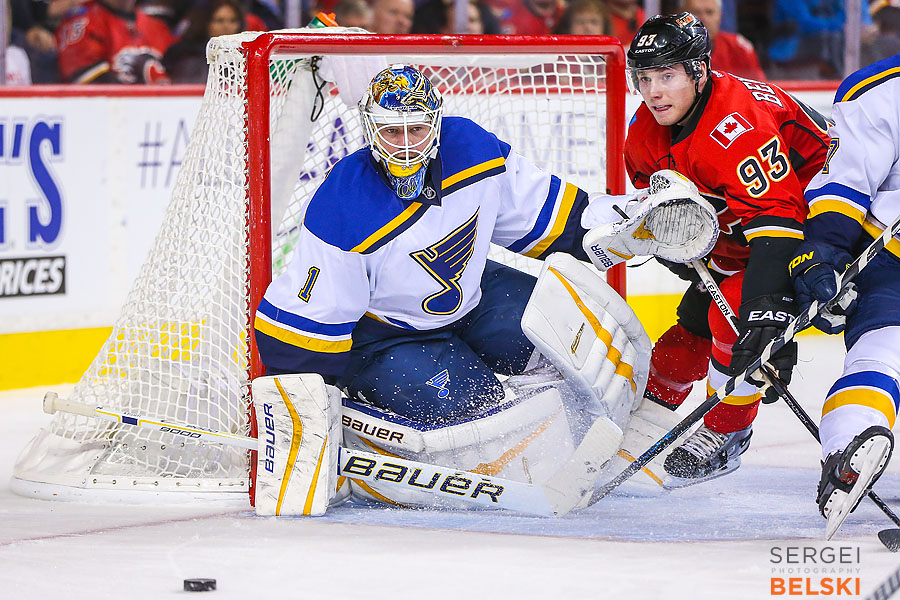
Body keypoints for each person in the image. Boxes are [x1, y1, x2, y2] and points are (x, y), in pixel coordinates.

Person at [621, 12, 831, 483]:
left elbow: (779, 223)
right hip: (744, 228)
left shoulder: (735, 126)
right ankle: (642, 417)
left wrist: (767, 308)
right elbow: (664, 210)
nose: (654, 92)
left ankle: (727, 431)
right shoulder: (644, 131)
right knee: (687, 333)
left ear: (699, 71)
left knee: (736, 318)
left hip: (821, 224)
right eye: (645, 78)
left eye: (667, 76)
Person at [788, 54, 900, 535]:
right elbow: (845, 179)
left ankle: (847, 448)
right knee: (883, 347)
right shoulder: (881, 89)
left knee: (884, 348)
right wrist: (826, 250)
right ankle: (848, 454)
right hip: (890, 254)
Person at [55, 0, 173, 84]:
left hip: (164, 114)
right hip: (110, 114)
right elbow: (89, 83)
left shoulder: (157, 27)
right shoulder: (83, 21)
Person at [162, 0, 245, 84]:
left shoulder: (245, 56)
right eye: (219, 20)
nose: (226, 26)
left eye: (233, 21)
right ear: (206, 23)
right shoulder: (187, 55)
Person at [683, 0, 765, 81]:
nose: (704, 19)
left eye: (709, 12)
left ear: (720, 15)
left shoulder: (740, 48)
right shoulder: (671, 51)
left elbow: (760, 88)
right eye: (696, 13)